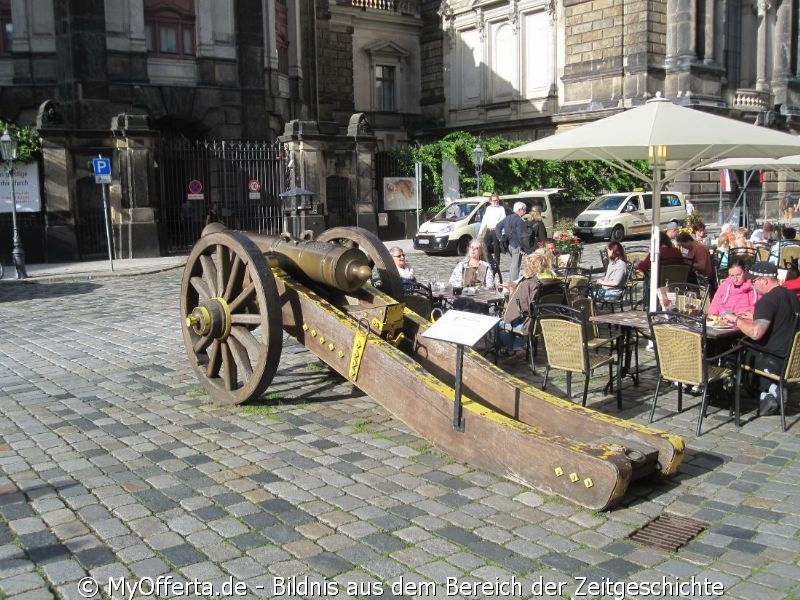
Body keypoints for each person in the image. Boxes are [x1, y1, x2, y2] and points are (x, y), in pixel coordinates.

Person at [723, 261, 800, 415]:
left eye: (754, 281)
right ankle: (771, 391)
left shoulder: (767, 301)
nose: (752, 285)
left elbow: (756, 333)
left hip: (772, 359)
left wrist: (736, 319)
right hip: (792, 358)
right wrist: (755, 316)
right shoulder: (791, 296)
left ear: (764, 280)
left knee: (733, 352)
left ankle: (767, 393)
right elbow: (782, 319)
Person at [497, 253, 556, 356]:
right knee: (516, 319)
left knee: (503, 323)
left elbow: (518, 308)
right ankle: (518, 348)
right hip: (548, 319)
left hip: (532, 323)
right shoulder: (553, 279)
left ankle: (514, 350)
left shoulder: (529, 283)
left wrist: (511, 291)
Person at [497, 201, 530, 281]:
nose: (525, 212)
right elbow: (520, 235)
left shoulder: (508, 217)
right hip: (517, 245)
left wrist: (500, 237)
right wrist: (522, 248)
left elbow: (498, 226)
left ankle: (513, 280)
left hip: (509, 244)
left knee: (514, 263)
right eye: (524, 210)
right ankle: (513, 282)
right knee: (515, 265)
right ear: (519, 210)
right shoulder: (520, 220)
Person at [478, 193, 506, 278]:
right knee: (484, 247)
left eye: (497, 200)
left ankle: (497, 265)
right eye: (494, 200)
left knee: (496, 249)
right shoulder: (488, 209)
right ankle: (491, 261)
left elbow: (503, 220)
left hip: (496, 230)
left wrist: (502, 232)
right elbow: (484, 221)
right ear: (490, 201)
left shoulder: (501, 209)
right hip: (489, 230)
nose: (496, 202)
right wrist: (480, 232)